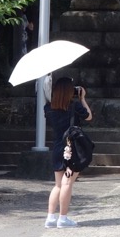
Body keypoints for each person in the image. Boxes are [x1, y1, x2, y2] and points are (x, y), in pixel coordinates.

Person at [44, 76, 92, 228]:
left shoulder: (49, 108)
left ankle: (50, 218)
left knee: (58, 185)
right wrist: (82, 98)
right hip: (71, 149)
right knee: (67, 183)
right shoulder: (75, 106)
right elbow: (89, 116)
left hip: (58, 148)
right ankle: (63, 219)